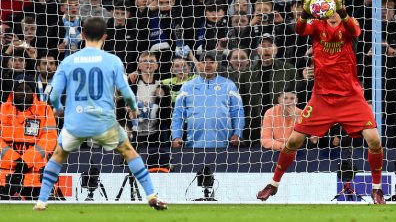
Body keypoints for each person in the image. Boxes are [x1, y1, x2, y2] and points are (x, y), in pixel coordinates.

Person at [256, 0, 385, 204]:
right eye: (328, 9)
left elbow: (356, 31)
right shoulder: (317, 26)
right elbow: (298, 29)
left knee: (374, 140)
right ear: (322, 11)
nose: (331, 12)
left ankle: (377, 189)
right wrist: (305, 13)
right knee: (293, 141)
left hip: (350, 96)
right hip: (322, 98)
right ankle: (274, 184)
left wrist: (342, 10)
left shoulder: (348, 23)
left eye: (334, 8)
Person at [33, 17, 167, 211]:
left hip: (75, 123)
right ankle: (151, 195)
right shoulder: (112, 60)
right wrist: (133, 107)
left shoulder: (68, 61)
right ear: (105, 37)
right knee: (129, 152)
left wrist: (58, 108)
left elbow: (53, 95)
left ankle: (41, 201)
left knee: (58, 155)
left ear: (83, 35)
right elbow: (127, 92)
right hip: (104, 123)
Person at [0, 75, 57, 200]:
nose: (23, 93)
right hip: (5, 176)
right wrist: (16, 160)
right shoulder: (2, 109)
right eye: (19, 89)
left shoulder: (45, 109)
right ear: (13, 91)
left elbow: (50, 139)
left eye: (28, 89)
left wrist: (26, 160)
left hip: (36, 178)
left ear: (33, 91)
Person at [171, 51, 244, 148]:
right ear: (199, 65)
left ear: (217, 64)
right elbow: (178, 114)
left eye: (211, 62)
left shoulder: (229, 85)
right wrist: (176, 137)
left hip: (225, 147)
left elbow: (238, 112)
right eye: (204, 62)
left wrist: (238, 134)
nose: (208, 65)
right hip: (194, 148)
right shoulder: (187, 87)